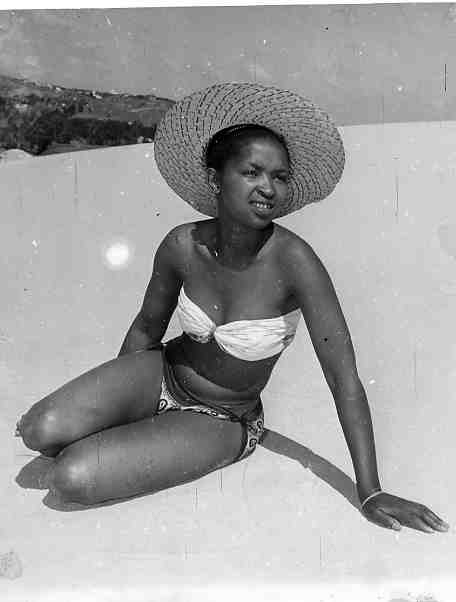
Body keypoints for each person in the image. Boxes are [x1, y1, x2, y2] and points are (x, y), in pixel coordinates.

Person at [15, 82, 449, 534]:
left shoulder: (296, 263)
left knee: (71, 477)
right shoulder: (182, 244)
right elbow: (146, 328)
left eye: (280, 177)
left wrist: (371, 490)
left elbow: (344, 379)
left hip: (222, 417)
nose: (268, 188)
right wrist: (118, 410)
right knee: (40, 431)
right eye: (252, 172)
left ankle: (200, 441)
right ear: (215, 179)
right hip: (161, 372)